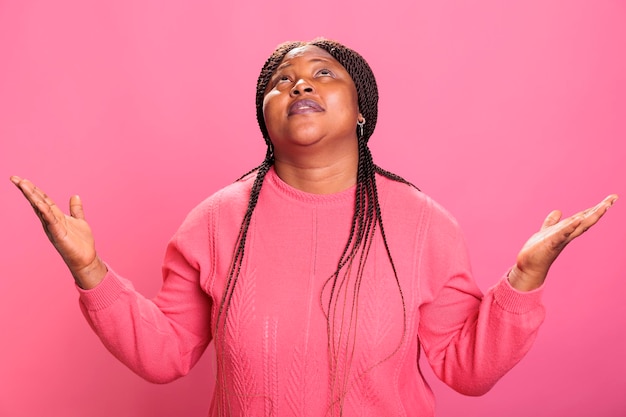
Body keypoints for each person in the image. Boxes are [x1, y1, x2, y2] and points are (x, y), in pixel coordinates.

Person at [10, 38, 618, 417]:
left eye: (323, 74)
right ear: (265, 118)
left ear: (361, 111)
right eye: (279, 82)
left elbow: (467, 370)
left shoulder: (422, 224)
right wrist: (90, 271)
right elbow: (166, 356)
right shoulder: (216, 222)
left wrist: (524, 278)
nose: (298, 83)